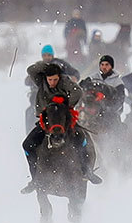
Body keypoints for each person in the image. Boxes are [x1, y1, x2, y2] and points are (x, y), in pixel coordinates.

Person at [20, 62, 101, 194]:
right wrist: (48, 65)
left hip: (64, 122)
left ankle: (86, 170)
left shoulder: (64, 82)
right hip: (45, 122)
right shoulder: (40, 81)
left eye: (55, 79)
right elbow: (31, 69)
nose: (52, 82)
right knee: (27, 145)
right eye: (50, 79)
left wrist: (64, 105)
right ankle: (35, 178)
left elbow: (77, 92)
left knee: (82, 140)